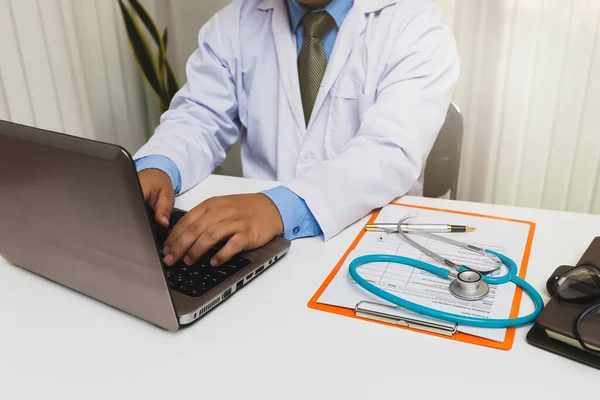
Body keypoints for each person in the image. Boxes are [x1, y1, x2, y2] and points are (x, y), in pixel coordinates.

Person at [133, 0, 460, 268]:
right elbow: (199, 117)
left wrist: (280, 207)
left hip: (372, 245)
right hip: (257, 253)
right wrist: (160, 165)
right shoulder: (232, 24)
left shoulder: (416, 25)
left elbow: (389, 152)